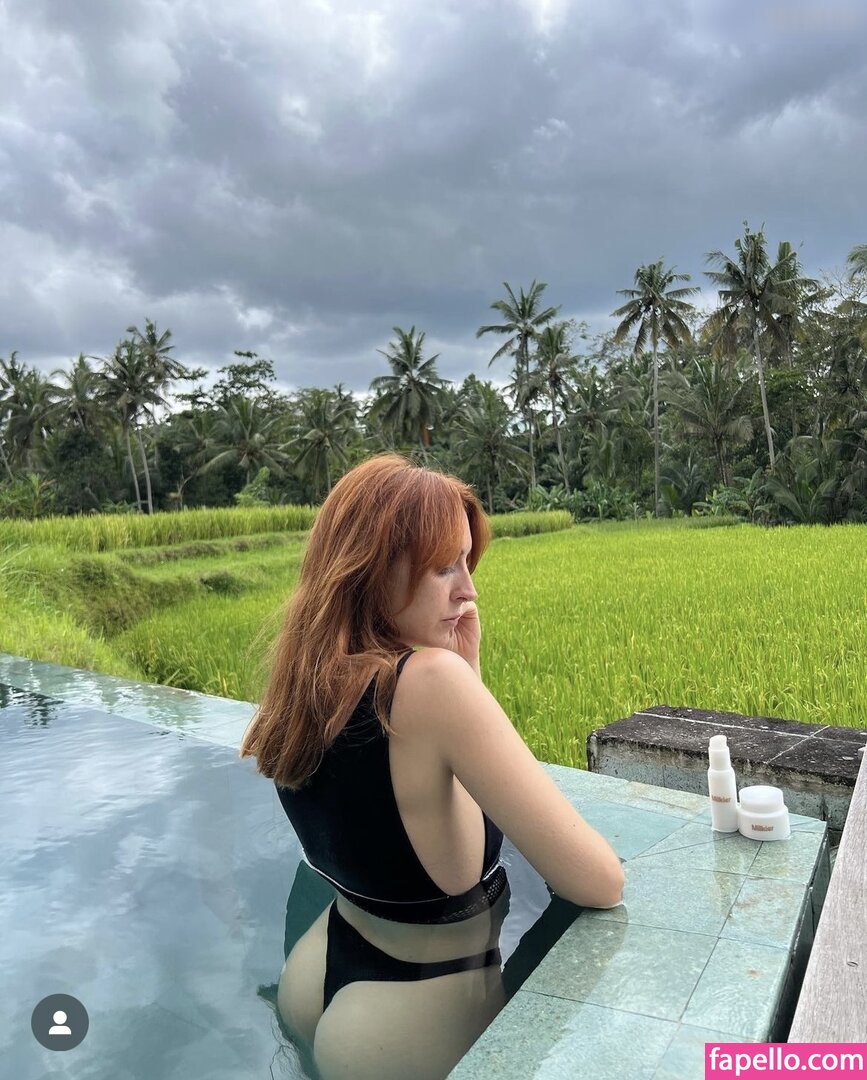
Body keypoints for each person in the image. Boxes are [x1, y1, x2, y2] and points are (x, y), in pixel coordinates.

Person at [239, 452, 624, 1080]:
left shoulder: (303, 683)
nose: (468, 589)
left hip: (319, 970)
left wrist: (467, 674)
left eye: (467, 563)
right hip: (414, 1011)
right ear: (373, 569)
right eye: (445, 567)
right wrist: (463, 681)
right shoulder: (428, 683)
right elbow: (598, 882)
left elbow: (413, 814)